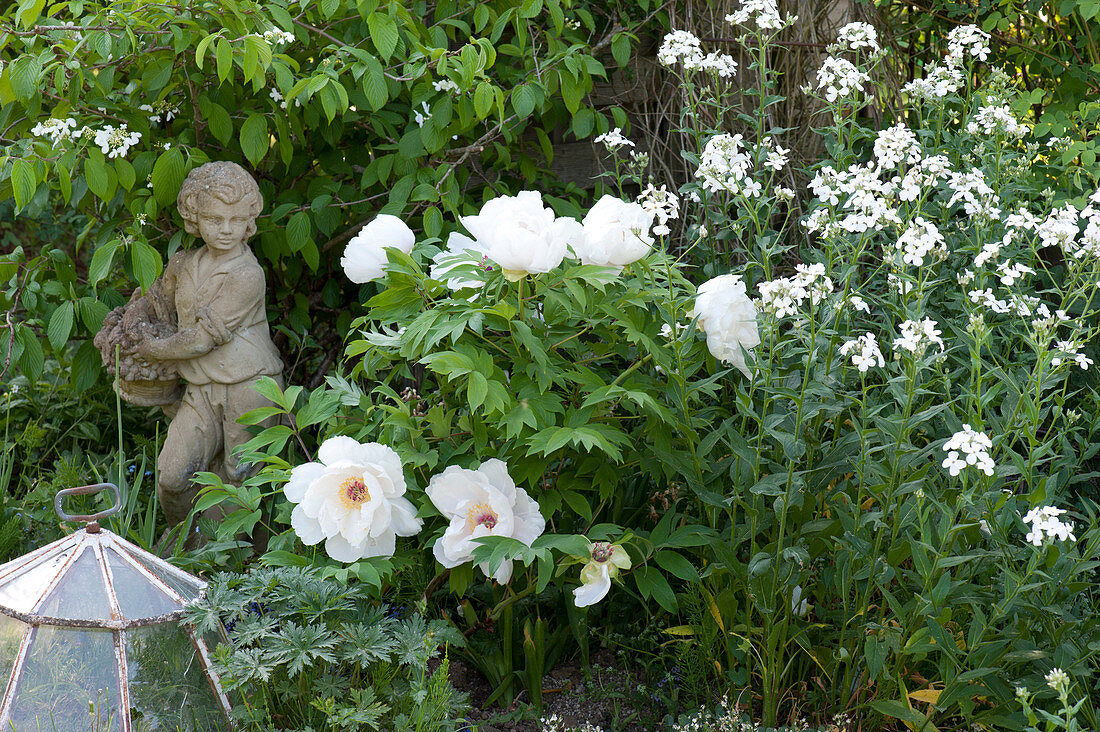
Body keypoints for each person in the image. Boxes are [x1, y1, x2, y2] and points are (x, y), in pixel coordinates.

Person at [124, 161, 283, 545]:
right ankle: (187, 548)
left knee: (243, 476)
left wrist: (151, 349)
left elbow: (198, 340)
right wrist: (132, 321)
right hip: (199, 388)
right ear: (194, 218)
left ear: (249, 221)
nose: (225, 229)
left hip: (248, 387)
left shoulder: (247, 274)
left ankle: (243, 566)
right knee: (173, 475)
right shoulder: (183, 263)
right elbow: (157, 300)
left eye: (235, 219)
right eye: (213, 219)